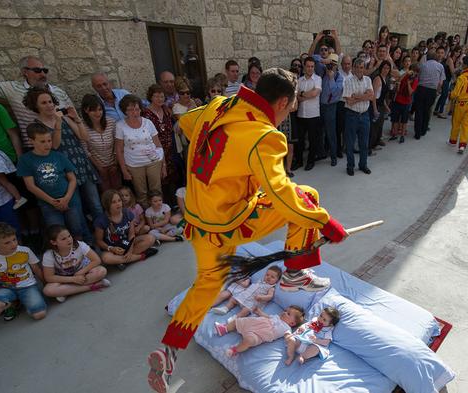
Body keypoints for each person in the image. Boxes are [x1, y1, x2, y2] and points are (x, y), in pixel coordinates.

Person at [148, 69, 348, 393]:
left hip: (198, 222)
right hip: (232, 223)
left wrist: (227, 166)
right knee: (306, 197)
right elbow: (283, 195)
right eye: (291, 105)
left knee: (205, 287)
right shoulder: (265, 136)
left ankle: (167, 353)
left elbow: (186, 122)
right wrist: (326, 223)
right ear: (282, 101)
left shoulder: (217, 107)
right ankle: (295, 272)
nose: (290, 112)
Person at [24, 87, 103, 222]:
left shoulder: (65, 118)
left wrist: (77, 119)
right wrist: (58, 124)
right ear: (35, 105)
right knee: (76, 207)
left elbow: (84, 137)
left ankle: (103, 231)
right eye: (43, 103)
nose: (49, 105)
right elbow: (54, 145)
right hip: (63, 169)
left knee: (95, 202)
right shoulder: (38, 126)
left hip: (81, 163)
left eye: (50, 101)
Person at [17, 123, 89, 243]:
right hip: (48, 204)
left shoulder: (58, 156)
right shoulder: (25, 160)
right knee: (57, 232)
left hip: (70, 200)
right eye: (42, 141)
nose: (47, 144)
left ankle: (82, 250)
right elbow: (30, 186)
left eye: (49, 140)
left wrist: (66, 198)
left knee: (77, 229)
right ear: (31, 141)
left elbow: (72, 179)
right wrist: (53, 202)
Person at [0, 56, 74, 150]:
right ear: (24, 72)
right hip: (36, 148)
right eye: (37, 70)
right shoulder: (13, 88)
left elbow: (74, 117)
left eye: (45, 70)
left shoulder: (59, 91)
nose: (43, 74)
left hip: (69, 145)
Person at [0, 222, 46, 321]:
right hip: (5, 287)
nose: (14, 244)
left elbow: (37, 269)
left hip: (27, 286)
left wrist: (46, 284)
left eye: (14, 239)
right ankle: (12, 304)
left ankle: (18, 302)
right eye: (7, 242)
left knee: (39, 314)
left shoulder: (25, 250)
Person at [115, 94, 166, 208]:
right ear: (125, 111)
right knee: (141, 192)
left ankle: (159, 215)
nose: (135, 112)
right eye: (131, 109)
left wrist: (164, 165)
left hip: (154, 161)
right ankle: (146, 216)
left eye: (137, 109)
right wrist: (124, 171)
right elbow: (119, 150)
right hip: (134, 164)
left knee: (156, 190)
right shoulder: (120, 126)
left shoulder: (148, 123)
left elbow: (158, 145)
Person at [41, 224, 110, 303]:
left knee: (101, 271)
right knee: (48, 290)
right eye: (63, 239)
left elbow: (97, 260)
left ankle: (66, 291)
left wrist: (80, 272)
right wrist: (73, 279)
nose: (69, 240)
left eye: (69, 236)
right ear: (53, 242)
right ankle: (95, 285)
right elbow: (49, 277)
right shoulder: (49, 255)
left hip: (83, 274)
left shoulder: (79, 245)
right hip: (65, 279)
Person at [94, 189, 157, 269]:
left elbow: (131, 234)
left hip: (127, 243)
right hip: (112, 249)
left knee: (151, 238)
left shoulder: (127, 213)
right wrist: (111, 248)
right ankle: (142, 256)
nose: (118, 204)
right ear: (107, 205)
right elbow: (99, 241)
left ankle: (121, 261)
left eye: (119, 200)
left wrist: (130, 250)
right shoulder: (101, 220)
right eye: (114, 202)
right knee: (106, 258)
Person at [214, 305, 305, 357]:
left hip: (259, 335)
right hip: (254, 323)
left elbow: (288, 336)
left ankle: (234, 350)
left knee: (249, 341)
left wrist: (291, 338)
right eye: (286, 310)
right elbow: (267, 317)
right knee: (239, 321)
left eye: (288, 314)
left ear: (292, 323)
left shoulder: (286, 328)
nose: (284, 312)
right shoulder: (277, 317)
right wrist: (260, 312)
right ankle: (224, 329)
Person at [142, 84, 178, 202]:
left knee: (172, 175)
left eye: (162, 96)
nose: (159, 99)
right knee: (160, 178)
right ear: (150, 97)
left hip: (170, 150)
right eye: (156, 96)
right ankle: (161, 203)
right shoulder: (146, 114)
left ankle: (173, 203)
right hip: (156, 150)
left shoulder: (166, 111)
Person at [80, 94, 121, 192]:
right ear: (86, 110)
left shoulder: (111, 122)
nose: (98, 113)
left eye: (100, 109)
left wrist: (115, 163)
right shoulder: (83, 127)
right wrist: (99, 167)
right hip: (98, 166)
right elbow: (85, 150)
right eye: (93, 110)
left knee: (118, 190)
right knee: (106, 192)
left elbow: (117, 143)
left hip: (114, 164)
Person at [342, 58, 374, 175]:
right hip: (352, 116)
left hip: (365, 115)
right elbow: (349, 102)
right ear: (353, 68)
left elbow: (371, 96)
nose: (360, 70)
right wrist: (364, 96)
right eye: (357, 67)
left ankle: (363, 165)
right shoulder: (348, 81)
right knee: (350, 143)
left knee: (364, 143)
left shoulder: (368, 80)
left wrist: (357, 96)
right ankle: (350, 166)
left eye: (362, 67)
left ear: (364, 68)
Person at [210, 266, 280, 318]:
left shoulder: (271, 287)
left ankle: (236, 317)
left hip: (251, 302)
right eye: (267, 275)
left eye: (272, 277)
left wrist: (262, 297)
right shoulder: (260, 281)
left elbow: (270, 296)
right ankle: (225, 308)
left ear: (277, 280)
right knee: (233, 299)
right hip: (243, 296)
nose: (268, 277)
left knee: (246, 310)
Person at [294, 57, 323, 171]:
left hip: (313, 114)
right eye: (308, 66)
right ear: (304, 67)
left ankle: (311, 161)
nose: (310, 68)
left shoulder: (318, 79)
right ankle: (299, 161)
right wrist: (306, 95)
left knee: (312, 140)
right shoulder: (299, 80)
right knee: (300, 141)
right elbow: (297, 97)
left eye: (312, 66)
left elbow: (315, 94)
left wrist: (302, 94)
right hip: (301, 114)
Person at [319, 54, 344, 167]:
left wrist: (331, 78)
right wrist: (324, 61)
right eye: (330, 63)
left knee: (331, 133)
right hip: (319, 106)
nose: (331, 66)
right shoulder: (322, 71)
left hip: (331, 107)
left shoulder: (339, 77)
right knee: (319, 131)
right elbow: (312, 58)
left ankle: (333, 156)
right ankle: (321, 153)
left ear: (337, 65)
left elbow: (335, 92)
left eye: (333, 64)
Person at [390, 63, 419, 143]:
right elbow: (398, 80)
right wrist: (406, 74)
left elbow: (410, 92)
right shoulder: (405, 75)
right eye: (412, 71)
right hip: (398, 100)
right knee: (395, 119)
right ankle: (394, 134)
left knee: (404, 120)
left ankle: (402, 135)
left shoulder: (415, 80)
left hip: (406, 102)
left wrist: (409, 83)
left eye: (415, 72)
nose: (413, 73)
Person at [369, 61, 391, 154]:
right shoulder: (378, 79)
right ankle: (369, 147)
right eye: (384, 67)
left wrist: (386, 107)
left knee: (379, 126)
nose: (385, 70)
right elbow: (374, 95)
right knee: (373, 128)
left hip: (381, 105)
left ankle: (375, 144)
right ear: (381, 68)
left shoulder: (385, 79)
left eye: (387, 68)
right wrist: (374, 109)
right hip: (376, 105)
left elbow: (382, 96)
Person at [434, 46, 461, 119]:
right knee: (445, 94)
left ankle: (436, 109)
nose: (457, 53)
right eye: (456, 51)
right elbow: (452, 71)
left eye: (459, 52)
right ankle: (440, 111)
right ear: (453, 51)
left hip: (447, 79)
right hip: (444, 78)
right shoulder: (450, 59)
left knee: (443, 95)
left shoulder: (456, 59)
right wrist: (459, 68)